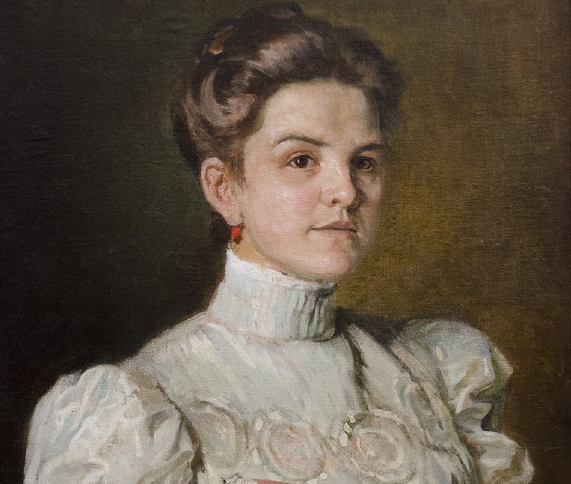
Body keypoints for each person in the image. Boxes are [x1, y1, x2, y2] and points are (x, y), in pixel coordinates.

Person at [24, 3, 534, 484]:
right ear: (225, 189)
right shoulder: (137, 409)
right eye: (301, 160)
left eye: (364, 162)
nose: (346, 192)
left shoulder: (437, 372)